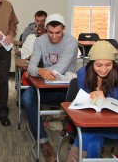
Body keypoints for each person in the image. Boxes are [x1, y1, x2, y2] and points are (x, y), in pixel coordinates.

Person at [22, 13, 78, 162]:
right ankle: (44, 142)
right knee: (26, 97)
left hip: (66, 90)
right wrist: (40, 71)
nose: (54, 37)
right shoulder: (40, 40)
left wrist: (41, 71)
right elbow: (31, 68)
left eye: (58, 33)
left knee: (81, 97)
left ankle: (74, 138)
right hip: (45, 87)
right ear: (46, 29)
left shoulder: (71, 41)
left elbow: (59, 69)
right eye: (50, 32)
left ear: (63, 29)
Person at [68, 41, 118, 161]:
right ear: (92, 63)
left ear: (113, 63)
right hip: (90, 122)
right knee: (93, 143)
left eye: (108, 65)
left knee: (85, 135)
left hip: (116, 125)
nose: (103, 70)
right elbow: (82, 100)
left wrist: (107, 100)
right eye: (99, 65)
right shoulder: (83, 73)